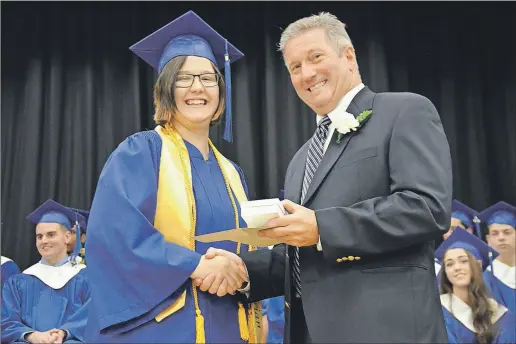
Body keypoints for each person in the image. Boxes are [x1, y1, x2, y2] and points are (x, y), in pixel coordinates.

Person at [199, 11, 452, 343]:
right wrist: (245, 270)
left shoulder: (404, 112)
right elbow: (303, 256)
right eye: (295, 67)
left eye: (315, 57)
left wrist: (322, 227)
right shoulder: (300, 160)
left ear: (348, 56)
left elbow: (427, 208)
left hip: (387, 329)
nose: (307, 73)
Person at [83, 10, 262, 343]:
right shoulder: (142, 152)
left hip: (228, 326)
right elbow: (116, 234)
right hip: (163, 327)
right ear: (165, 89)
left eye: (208, 77)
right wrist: (195, 265)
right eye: (183, 78)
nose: (197, 87)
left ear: (221, 89)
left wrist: (242, 273)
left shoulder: (232, 173)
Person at [1, 199, 90, 343]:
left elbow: (92, 318)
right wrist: (33, 336)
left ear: (67, 237)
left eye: (51, 234)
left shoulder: (85, 278)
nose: (44, 241)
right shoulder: (18, 281)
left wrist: (63, 334)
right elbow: (5, 323)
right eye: (39, 236)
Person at [435, 227, 516, 344]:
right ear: (445, 272)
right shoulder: (437, 312)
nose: (457, 267)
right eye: (449, 264)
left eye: (464, 261)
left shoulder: (502, 316)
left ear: (478, 265)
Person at [479, 201, 516, 313]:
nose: (501, 238)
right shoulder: (484, 279)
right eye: (495, 233)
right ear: (488, 239)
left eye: (507, 232)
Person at [436, 200, 481, 277]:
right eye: (446, 230)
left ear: (469, 230)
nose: (448, 234)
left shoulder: (480, 260)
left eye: (454, 229)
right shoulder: (435, 264)